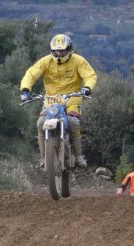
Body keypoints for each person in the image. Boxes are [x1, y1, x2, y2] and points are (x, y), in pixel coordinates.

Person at [20, 34, 97, 168]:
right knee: (40, 123)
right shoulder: (45, 61)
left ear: (69, 49)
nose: (58, 53)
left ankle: (79, 156)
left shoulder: (78, 61)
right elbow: (31, 74)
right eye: (55, 50)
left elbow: (90, 75)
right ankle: (44, 158)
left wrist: (87, 88)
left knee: (73, 122)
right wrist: (25, 90)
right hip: (51, 99)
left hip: (72, 98)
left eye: (61, 50)